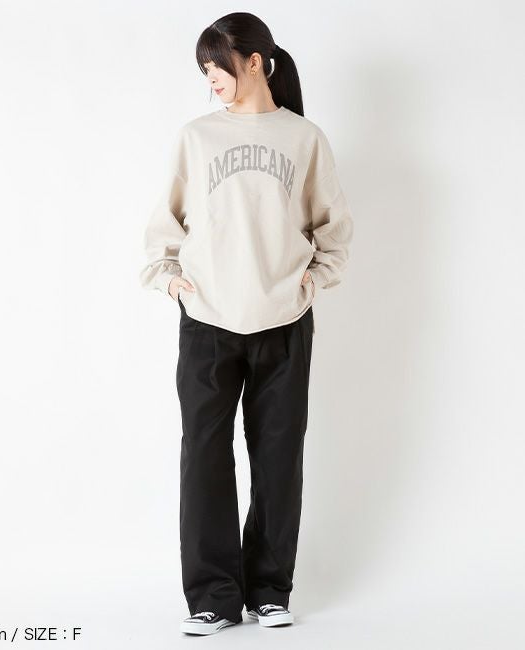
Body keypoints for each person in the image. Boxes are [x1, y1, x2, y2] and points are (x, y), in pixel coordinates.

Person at [139, 12, 354, 636]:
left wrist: (312, 281)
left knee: (279, 457)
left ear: (255, 61)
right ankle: (212, 596)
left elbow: (334, 229)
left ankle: (269, 589)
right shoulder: (196, 137)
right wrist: (171, 280)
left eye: (217, 66)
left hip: (284, 318)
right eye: (204, 69)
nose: (210, 78)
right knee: (204, 456)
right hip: (207, 318)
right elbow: (163, 227)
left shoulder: (304, 138)